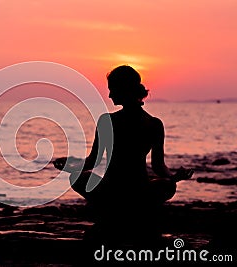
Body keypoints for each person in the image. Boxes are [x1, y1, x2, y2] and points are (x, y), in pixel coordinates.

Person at [53, 65, 194, 244]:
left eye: (112, 90)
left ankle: (111, 216)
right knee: (168, 185)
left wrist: (70, 166)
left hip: (112, 191)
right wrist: (174, 177)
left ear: (123, 89)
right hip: (139, 191)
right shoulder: (154, 124)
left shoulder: (108, 121)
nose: (110, 95)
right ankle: (131, 216)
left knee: (76, 178)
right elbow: (159, 167)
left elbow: (92, 162)